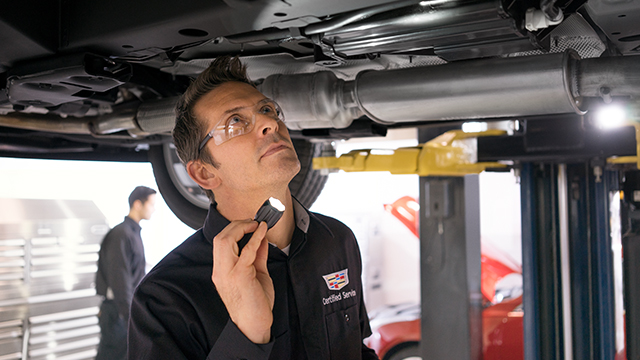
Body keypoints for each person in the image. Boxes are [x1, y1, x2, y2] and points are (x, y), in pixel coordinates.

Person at [128, 56, 379, 359]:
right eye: (235, 122)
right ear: (205, 173)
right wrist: (248, 336)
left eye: (266, 109)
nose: (270, 123)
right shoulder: (165, 296)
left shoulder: (337, 239)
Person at [95, 186, 157, 360]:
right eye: (151, 204)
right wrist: (131, 318)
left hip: (124, 311)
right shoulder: (121, 235)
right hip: (117, 313)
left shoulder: (133, 233)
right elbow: (120, 280)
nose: (154, 209)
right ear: (138, 204)